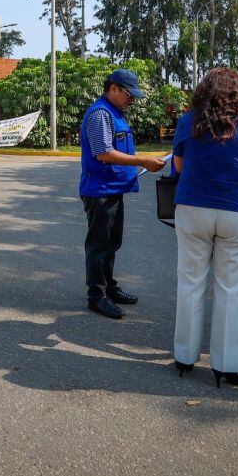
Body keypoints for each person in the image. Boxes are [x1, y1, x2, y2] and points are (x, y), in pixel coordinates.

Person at [170, 68, 238, 387]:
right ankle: (227, 365)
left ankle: (184, 357)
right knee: (233, 288)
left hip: (193, 207)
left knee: (190, 282)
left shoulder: (188, 120)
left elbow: (179, 165)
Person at [78, 69, 167, 320]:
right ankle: (96, 296)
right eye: (129, 95)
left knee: (111, 244)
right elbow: (103, 153)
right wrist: (143, 161)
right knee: (98, 245)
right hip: (100, 191)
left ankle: (109, 288)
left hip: (113, 189)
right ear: (113, 88)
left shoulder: (115, 113)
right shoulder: (100, 114)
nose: (132, 101)